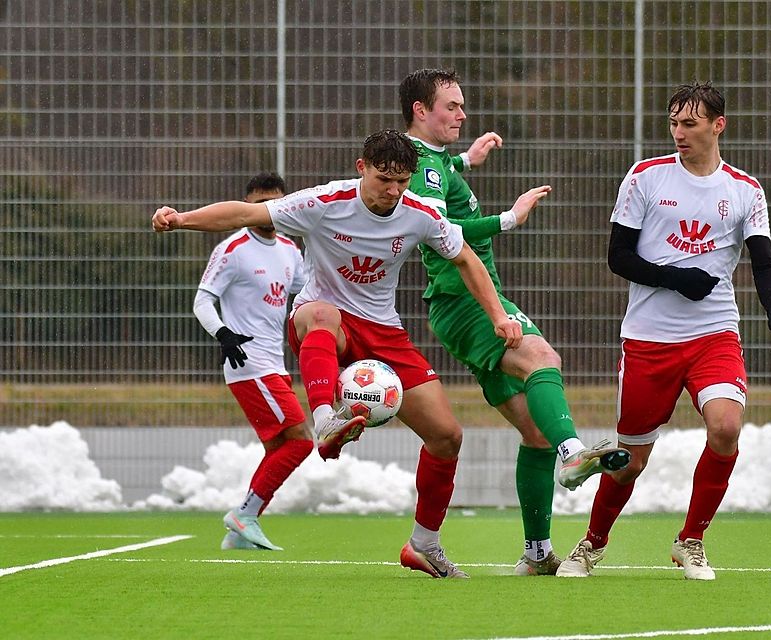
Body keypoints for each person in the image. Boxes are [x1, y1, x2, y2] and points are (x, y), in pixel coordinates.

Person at [155, 129, 524, 579]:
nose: (392, 191)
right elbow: (246, 212)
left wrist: (498, 317)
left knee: (447, 436)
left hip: (384, 331)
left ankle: (424, 544)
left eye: (402, 181)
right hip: (322, 321)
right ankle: (326, 417)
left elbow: (467, 258)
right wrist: (181, 219)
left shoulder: (420, 212)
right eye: (383, 179)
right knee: (323, 313)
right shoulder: (326, 202)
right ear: (360, 168)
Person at [556, 82, 771, 580]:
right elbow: (618, 257)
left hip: (714, 335)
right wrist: (674, 277)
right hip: (649, 339)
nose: (679, 132)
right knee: (628, 462)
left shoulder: (745, 190)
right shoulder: (645, 176)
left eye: (690, 123)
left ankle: (691, 540)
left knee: (726, 429)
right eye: (673, 122)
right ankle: (591, 544)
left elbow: (763, 261)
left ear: (718, 125)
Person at [400, 68, 631, 576]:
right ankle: (574, 454)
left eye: (462, 105)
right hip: (465, 296)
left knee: (535, 432)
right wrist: (511, 218)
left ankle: (536, 552)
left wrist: (467, 159)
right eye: (451, 106)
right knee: (543, 358)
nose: (462, 114)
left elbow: (432, 177)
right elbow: (442, 227)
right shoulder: (420, 164)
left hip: (462, 298)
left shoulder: (428, 161)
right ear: (421, 110)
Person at [192, 171, 307, 552]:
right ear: (246, 206)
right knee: (300, 442)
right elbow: (202, 300)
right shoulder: (234, 249)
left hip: (275, 363)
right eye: (258, 204)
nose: (265, 211)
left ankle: (237, 534)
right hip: (248, 363)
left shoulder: (290, 250)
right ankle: (245, 514)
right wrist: (222, 333)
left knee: (278, 449)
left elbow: (307, 291)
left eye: (273, 204)